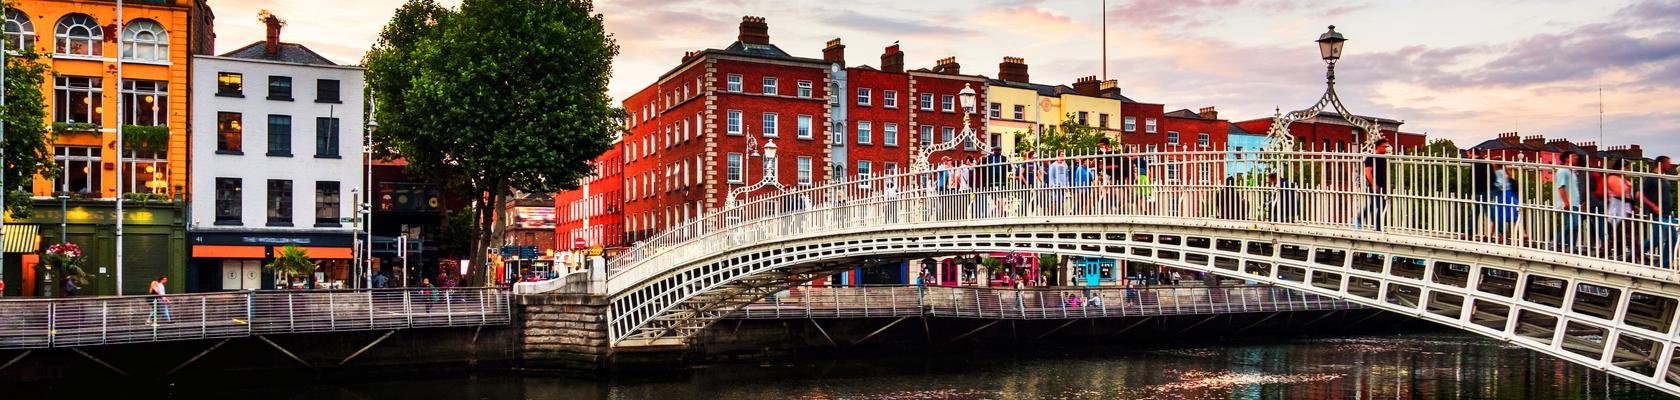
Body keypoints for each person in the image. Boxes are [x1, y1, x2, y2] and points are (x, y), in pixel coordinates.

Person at [1358, 138, 1392, 231]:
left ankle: (1360, 218)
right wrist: (1373, 184)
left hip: (1383, 185)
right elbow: (1368, 172)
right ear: (1378, 147)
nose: (1386, 149)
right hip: (1375, 185)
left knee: (1376, 205)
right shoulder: (1371, 157)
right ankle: (1378, 227)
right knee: (1379, 206)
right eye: (1385, 147)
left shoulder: (1383, 158)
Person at [1553, 153, 1583, 252]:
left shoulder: (1572, 172)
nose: (1576, 158)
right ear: (1566, 159)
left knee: (1575, 225)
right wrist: (1566, 202)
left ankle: (1571, 246)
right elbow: (1561, 187)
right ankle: (1556, 242)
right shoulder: (1563, 171)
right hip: (1568, 203)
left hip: (1574, 202)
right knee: (1573, 224)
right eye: (1574, 156)